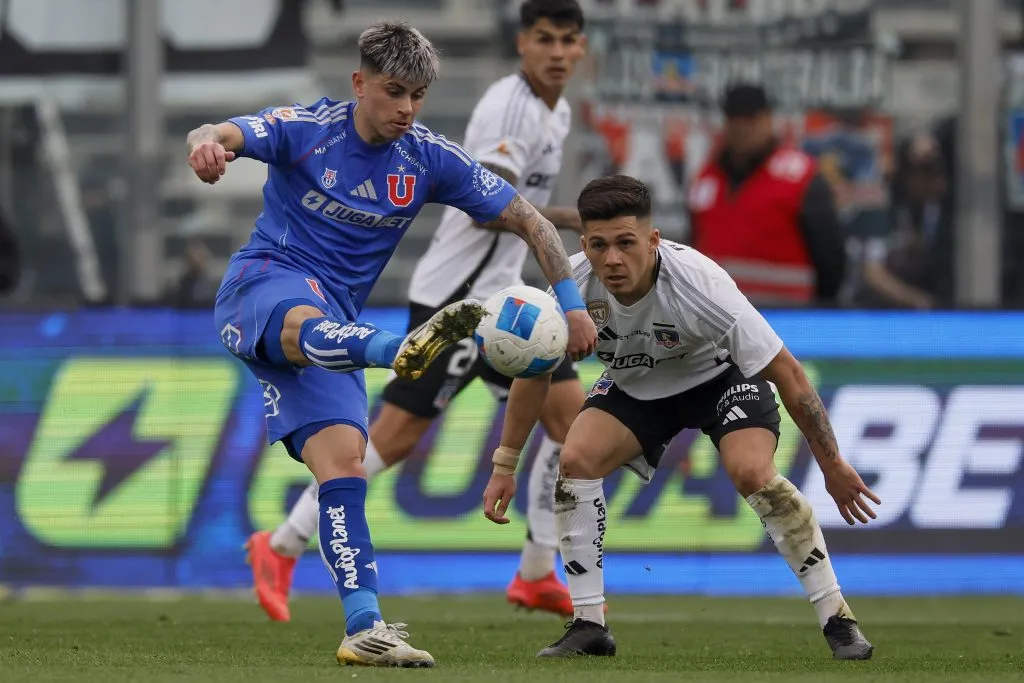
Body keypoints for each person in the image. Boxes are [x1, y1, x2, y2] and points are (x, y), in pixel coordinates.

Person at [189, 21, 597, 668]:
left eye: (418, 95)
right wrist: (207, 145)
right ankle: (395, 349)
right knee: (305, 317)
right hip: (264, 286)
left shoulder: (427, 158)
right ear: (360, 83)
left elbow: (527, 218)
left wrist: (571, 303)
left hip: (336, 328)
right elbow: (220, 133)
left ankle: (363, 627)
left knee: (345, 469)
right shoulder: (308, 128)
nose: (406, 108)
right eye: (394, 91)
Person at [483, 175, 879, 661]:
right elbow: (533, 373)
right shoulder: (572, 287)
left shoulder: (701, 284)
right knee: (577, 460)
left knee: (753, 472)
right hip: (637, 387)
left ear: (653, 241)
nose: (612, 260)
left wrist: (833, 463)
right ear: (583, 244)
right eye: (600, 245)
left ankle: (838, 619)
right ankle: (589, 626)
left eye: (626, 244)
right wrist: (505, 466)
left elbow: (790, 375)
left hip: (719, 379)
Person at [689, 83, 847, 306]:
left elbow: (830, 259)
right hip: (717, 319)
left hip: (785, 319)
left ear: (768, 120)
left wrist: (818, 314)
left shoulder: (799, 176)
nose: (742, 128)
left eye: (751, 119)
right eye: (735, 119)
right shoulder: (707, 178)